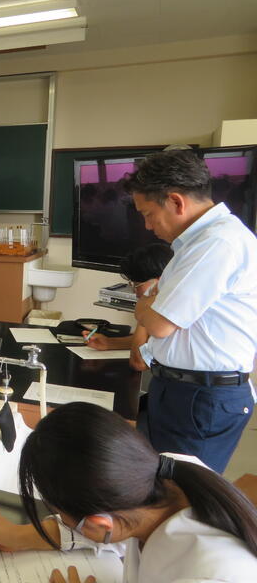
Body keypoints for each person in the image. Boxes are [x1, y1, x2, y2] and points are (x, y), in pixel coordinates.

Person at [0, 402, 257, 582]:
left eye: (62, 516)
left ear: (100, 523)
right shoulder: (160, 474)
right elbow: (115, 532)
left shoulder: (209, 575)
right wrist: (21, 535)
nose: (60, 519)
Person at [125, 149, 257, 473]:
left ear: (176, 202)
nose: (147, 225)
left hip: (201, 398)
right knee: (159, 482)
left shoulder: (216, 243)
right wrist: (150, 304)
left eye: (149, 214)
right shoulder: (198, 243)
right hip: (183, 389)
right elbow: (155, 307)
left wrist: (145, 305)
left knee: (181, 493)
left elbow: (158, 323)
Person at [83, 243, 173, 371]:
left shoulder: (172, 310)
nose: (135, 292)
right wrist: (109, 343)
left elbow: (138, 362)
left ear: (159, 282)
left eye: (137, 285)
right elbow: (149, 341)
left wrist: (143, 314)